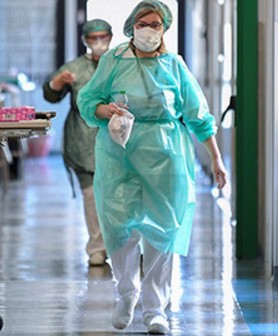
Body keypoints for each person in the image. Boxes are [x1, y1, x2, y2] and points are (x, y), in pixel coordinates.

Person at [77, 1, 227, 334]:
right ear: (132, 27)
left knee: (163, 230)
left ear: (165, 28)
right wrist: (106, 111)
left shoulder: (174, 66)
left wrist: (216, 157)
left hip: (167, 155)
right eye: (143, 23)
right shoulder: (114, 61)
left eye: (156, 24)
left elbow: (197, 115)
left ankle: (155, 308)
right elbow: (88, 100)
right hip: (120, 155)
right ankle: (127, 294)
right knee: (120, 227)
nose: (149, 29)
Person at [42, 19, 113, 266]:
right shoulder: (74, 68)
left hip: (116, 137)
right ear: (85, 41)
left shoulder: (120, 64)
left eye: (103, 37)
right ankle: (97, 247)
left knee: (119, 196)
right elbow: (50, 93)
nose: (99, 43)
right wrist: (59, 82)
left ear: (111, 37)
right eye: (93, 38)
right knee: (91, 194)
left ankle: (124, 246)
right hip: (83, 138)